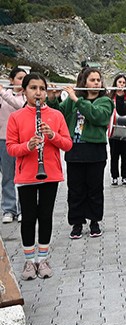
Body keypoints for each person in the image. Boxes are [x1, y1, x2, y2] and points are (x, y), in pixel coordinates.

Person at [6, 72, 72, 279]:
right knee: (28, 219)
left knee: (45, 217)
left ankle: (42, 259)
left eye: (42, 89)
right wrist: (28, 145)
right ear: (24, 91)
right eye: (33, 88)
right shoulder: (16, 117)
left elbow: (68, 144)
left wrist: (52, 135)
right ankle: (28, 261)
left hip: (49, 173)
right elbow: (11, 148)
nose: (38, 92)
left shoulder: (56, 115)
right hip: (26, 175)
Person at [47, 67, 114, 239]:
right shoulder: (72, 100)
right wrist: (52, 98)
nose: (96, 83)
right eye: (92, 80)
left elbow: (97, 116)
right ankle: (76, 223)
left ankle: (94, 221)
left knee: (94, 188)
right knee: (75, 189)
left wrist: (76, 99)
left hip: (95, 151)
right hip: (74, 149)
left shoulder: (105, 101)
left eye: (98, 80)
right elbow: (58, 115)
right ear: (84, 82)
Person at [0, 67, 26, 224]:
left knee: (23, 177)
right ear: (11, 80)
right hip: (3, 139)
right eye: (20, 78)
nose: (22, 82)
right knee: (8, 176)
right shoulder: (3, 96)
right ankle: (9, 209)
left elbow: (19, 106)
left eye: (25, 78)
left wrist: (3, 92)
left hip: (22, 140)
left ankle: (24, 208)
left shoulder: (24, 97)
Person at [107, 74, 126, 186]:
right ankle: (114, 177)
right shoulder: (110, 98)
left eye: (123, 82)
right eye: (119, 82)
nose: (122, 84)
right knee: (114, 155)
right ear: (115, 83)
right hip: (113, 130)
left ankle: (125, 176)